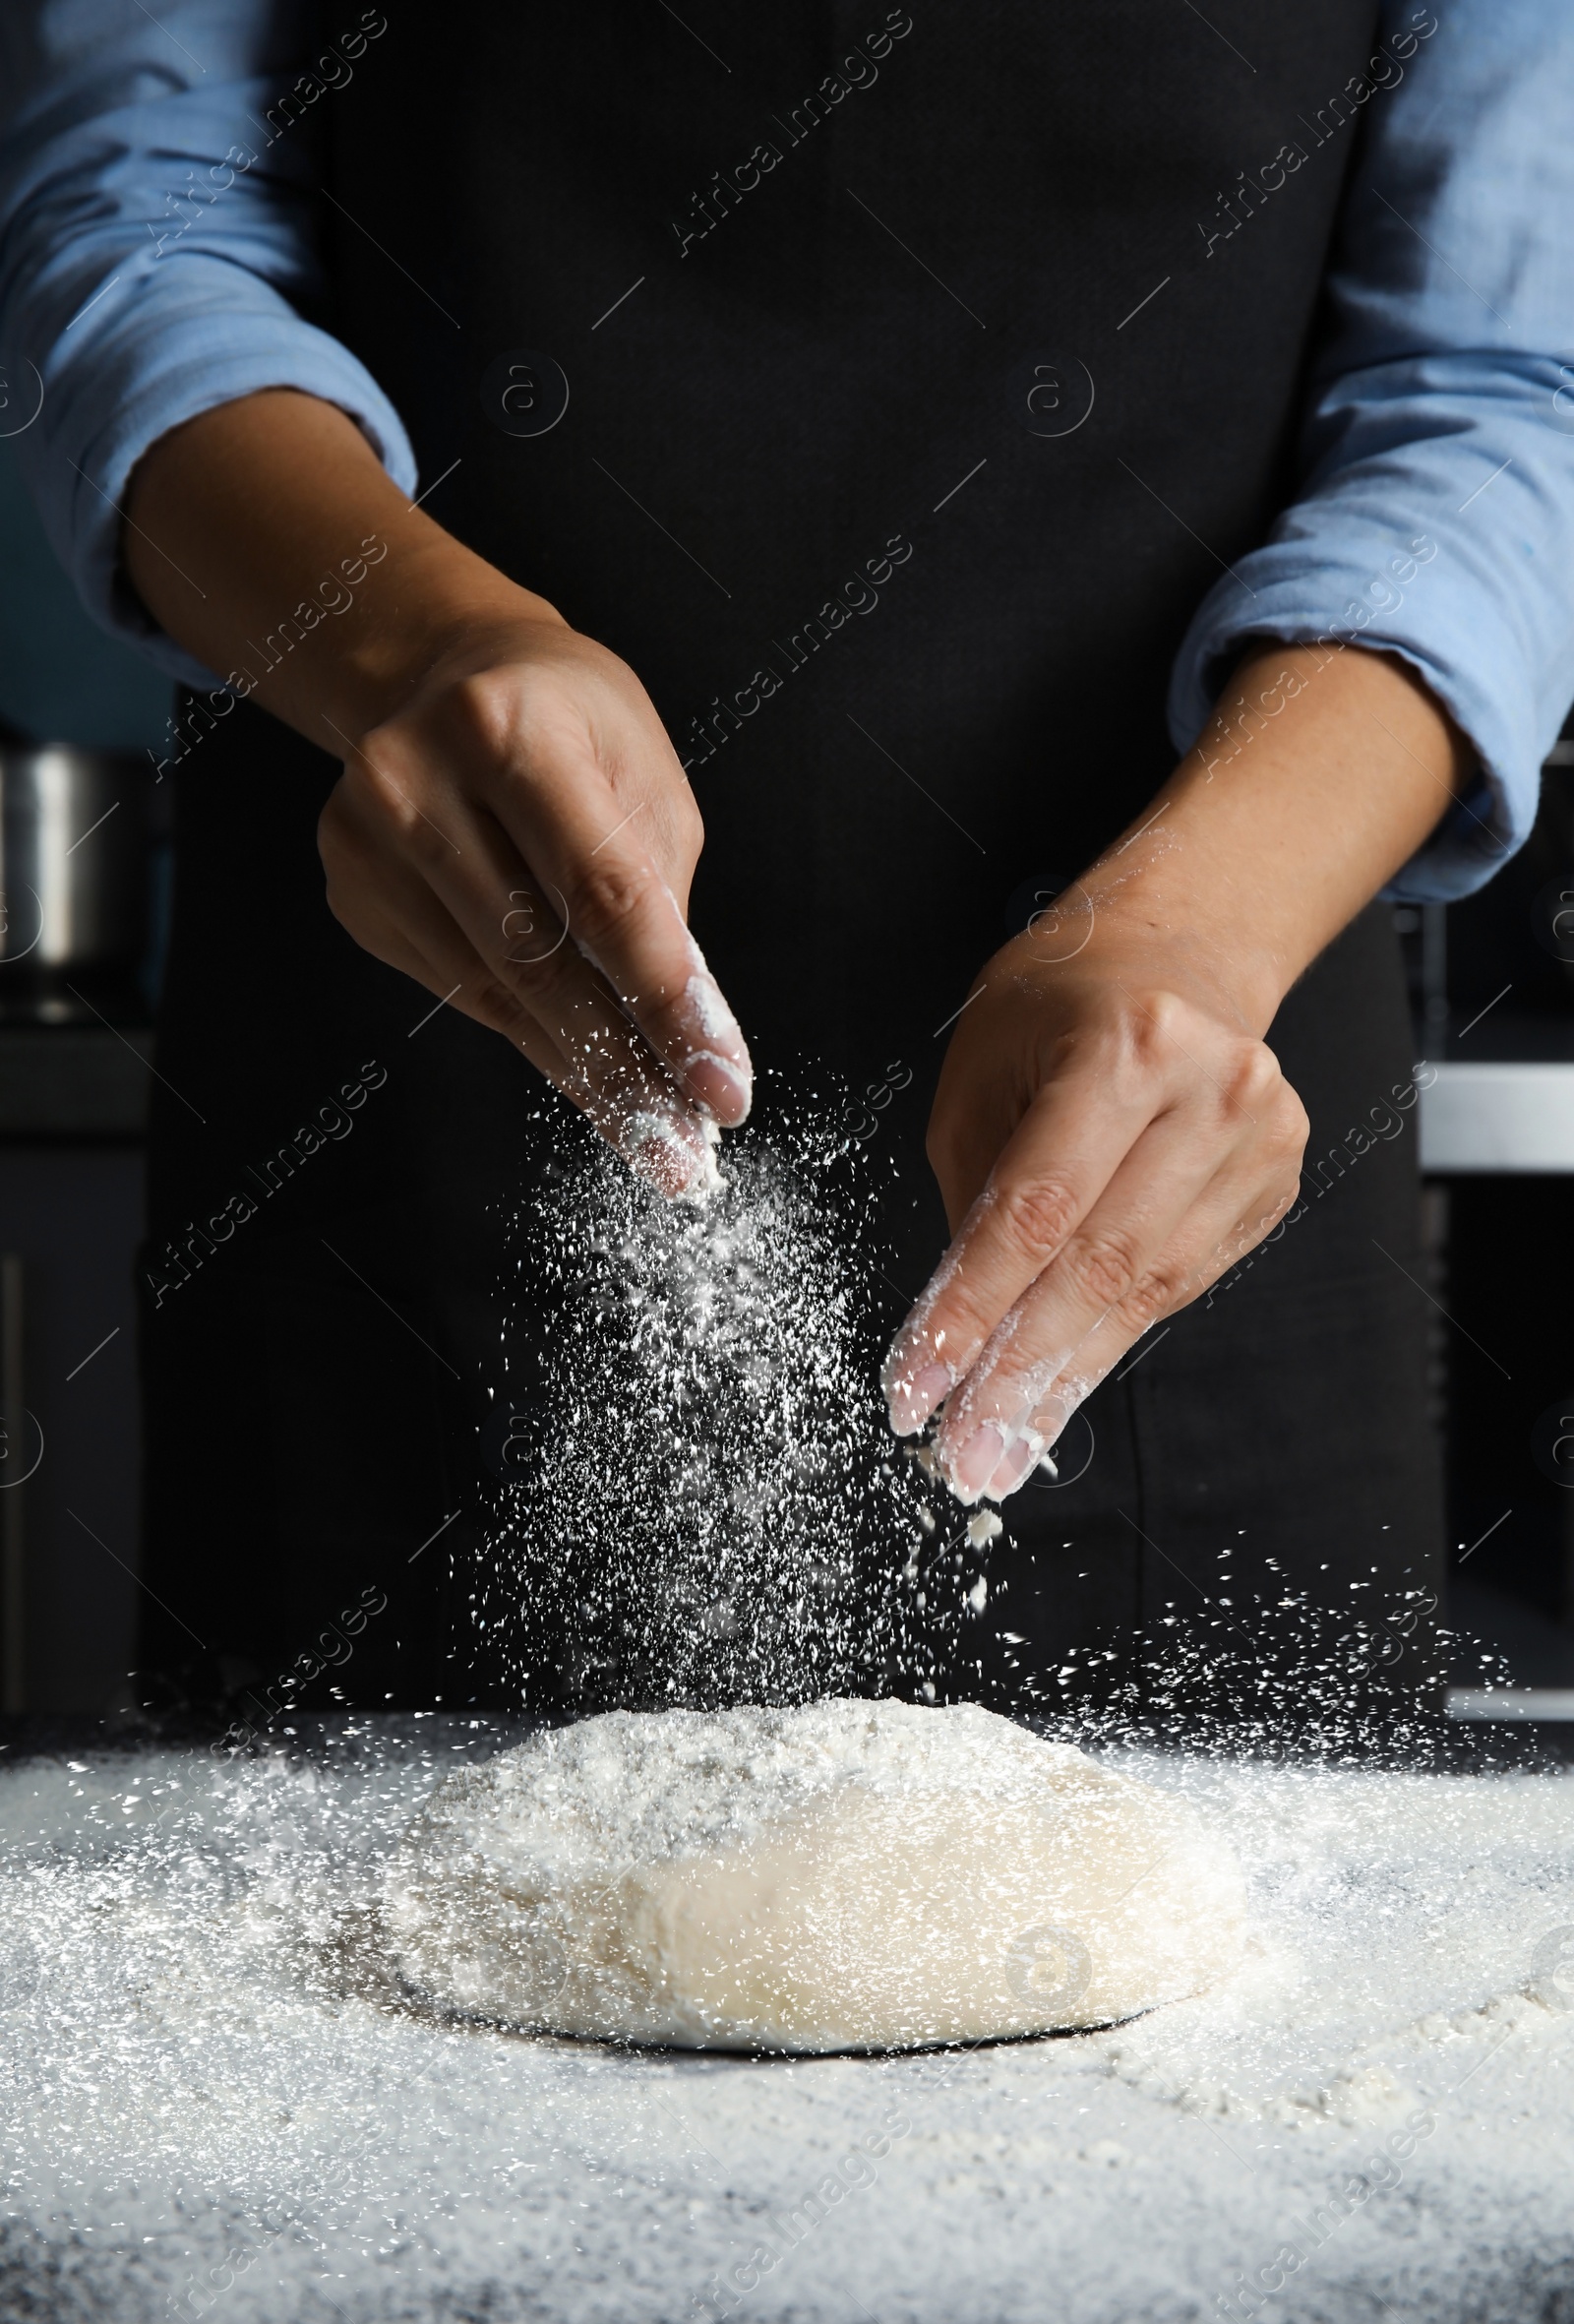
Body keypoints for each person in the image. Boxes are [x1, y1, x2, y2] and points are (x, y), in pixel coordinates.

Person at [2, 2, 1571, 1722]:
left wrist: (1200, 926)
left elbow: (1509, 393)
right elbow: (137, 229)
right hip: (408, 1086)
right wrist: (410, 649)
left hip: (1186, 1089)